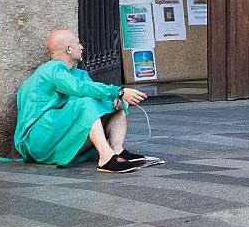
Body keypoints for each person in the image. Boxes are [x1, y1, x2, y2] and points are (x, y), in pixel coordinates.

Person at [13, 30, 149, 173]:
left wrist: (116, 99)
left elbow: (92, 95)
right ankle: (105, 157)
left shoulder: (77, 74)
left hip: (57, 135)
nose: (82, 47)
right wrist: (119, 91)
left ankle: (117, 151)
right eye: (78, 43)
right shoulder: (51, 69)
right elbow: (79, 89)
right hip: (38, 141)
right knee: (87, 103)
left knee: (114, 106)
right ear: (69, 49)